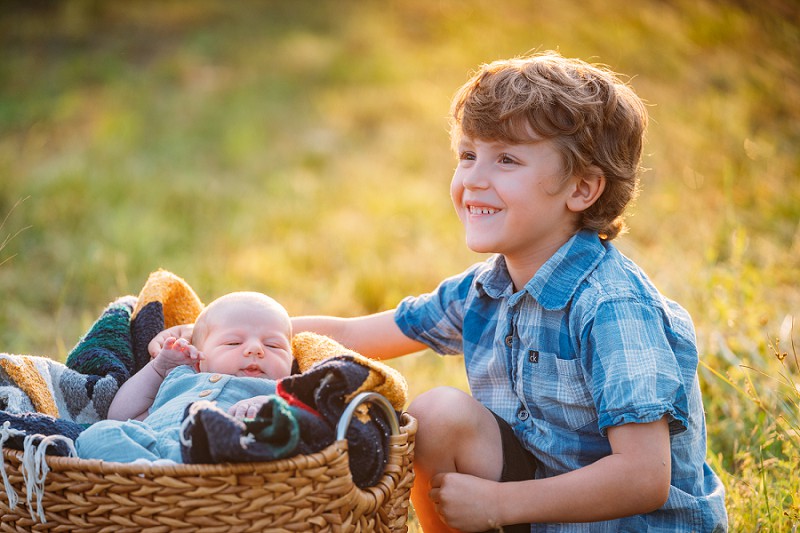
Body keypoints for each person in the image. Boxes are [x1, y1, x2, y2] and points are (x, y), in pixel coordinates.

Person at [151, 52, 727, 531]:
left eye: (506, 159)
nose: (474, 177)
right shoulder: (486, 290)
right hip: (549, 508)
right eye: (468, 155)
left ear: (581, 188)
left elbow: (643, 479)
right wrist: (216, 333)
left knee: (444, 417)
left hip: (636, 524)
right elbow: (355, 336)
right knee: (439, 414)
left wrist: (499, 506)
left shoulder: (613, 307)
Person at [76, 291, 294, 463]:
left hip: (213, 454)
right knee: (97, 435)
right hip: (150, 447)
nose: (255, 349)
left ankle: (163, 479)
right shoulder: (180, 376)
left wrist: (266, 404)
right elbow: (119, 415)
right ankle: (150, 476)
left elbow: (300, 416)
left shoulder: (283, 390)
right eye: (233, 343)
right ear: (200, 356)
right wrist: (158, 369)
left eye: (273, 345)